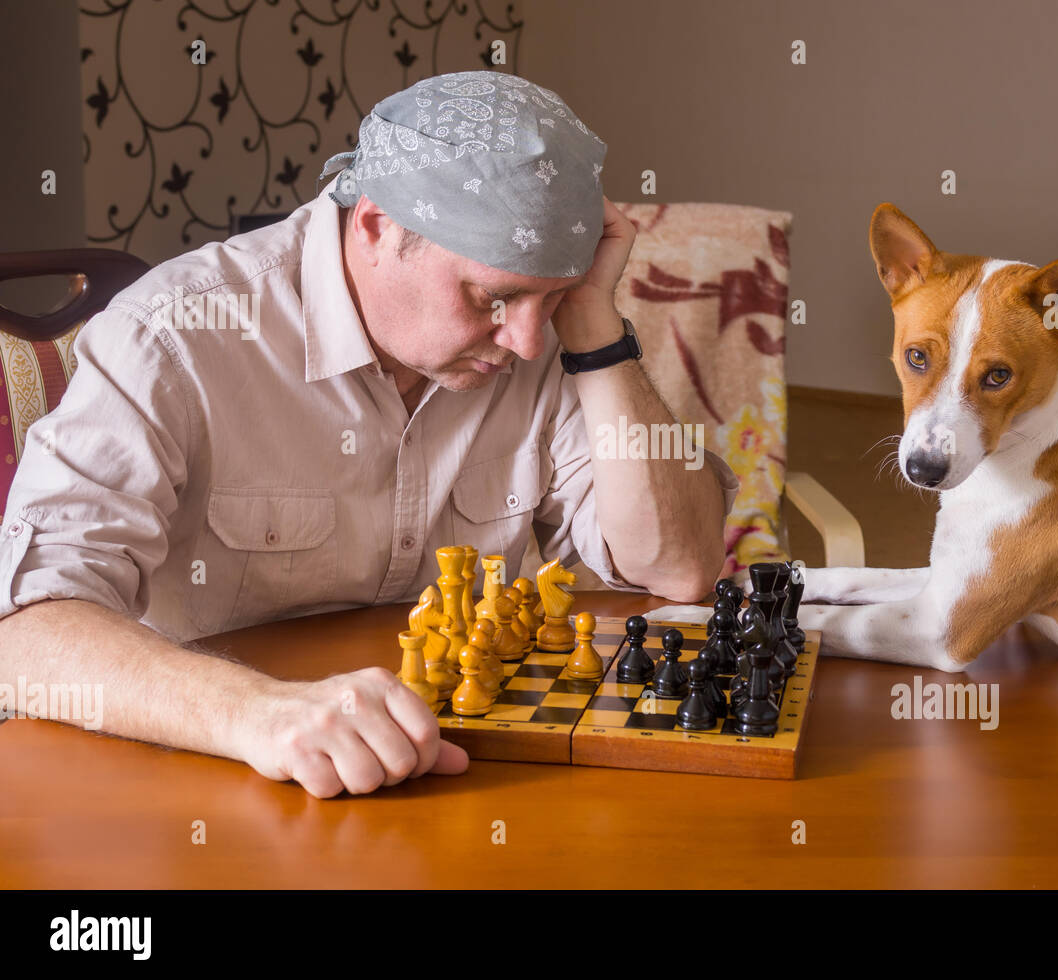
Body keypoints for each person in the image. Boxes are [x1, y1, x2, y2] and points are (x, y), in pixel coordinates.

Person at [0, 71, 736, 798]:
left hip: (446, 772)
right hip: (206, 777)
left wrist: (599, 333)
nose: (526, 343)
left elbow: (674, 570)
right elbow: (23, 635)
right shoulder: (173, 337)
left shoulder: (540, 336)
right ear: (378, 227)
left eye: (554, 298)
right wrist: (259, 713)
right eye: (494, 297)